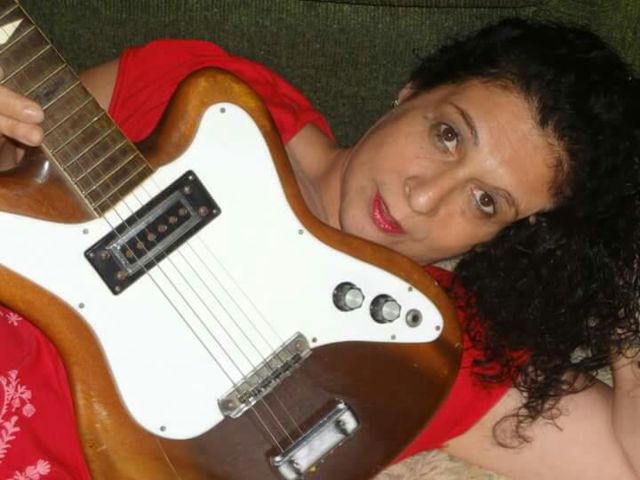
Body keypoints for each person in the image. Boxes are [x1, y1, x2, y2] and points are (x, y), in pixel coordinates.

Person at [1, 17, 639, 479]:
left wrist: (624, 282)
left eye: (486, 202)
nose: (424, 198)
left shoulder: (423, 345)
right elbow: (20, 157)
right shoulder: (207, 97)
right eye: (447, 135)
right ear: (413, 89)